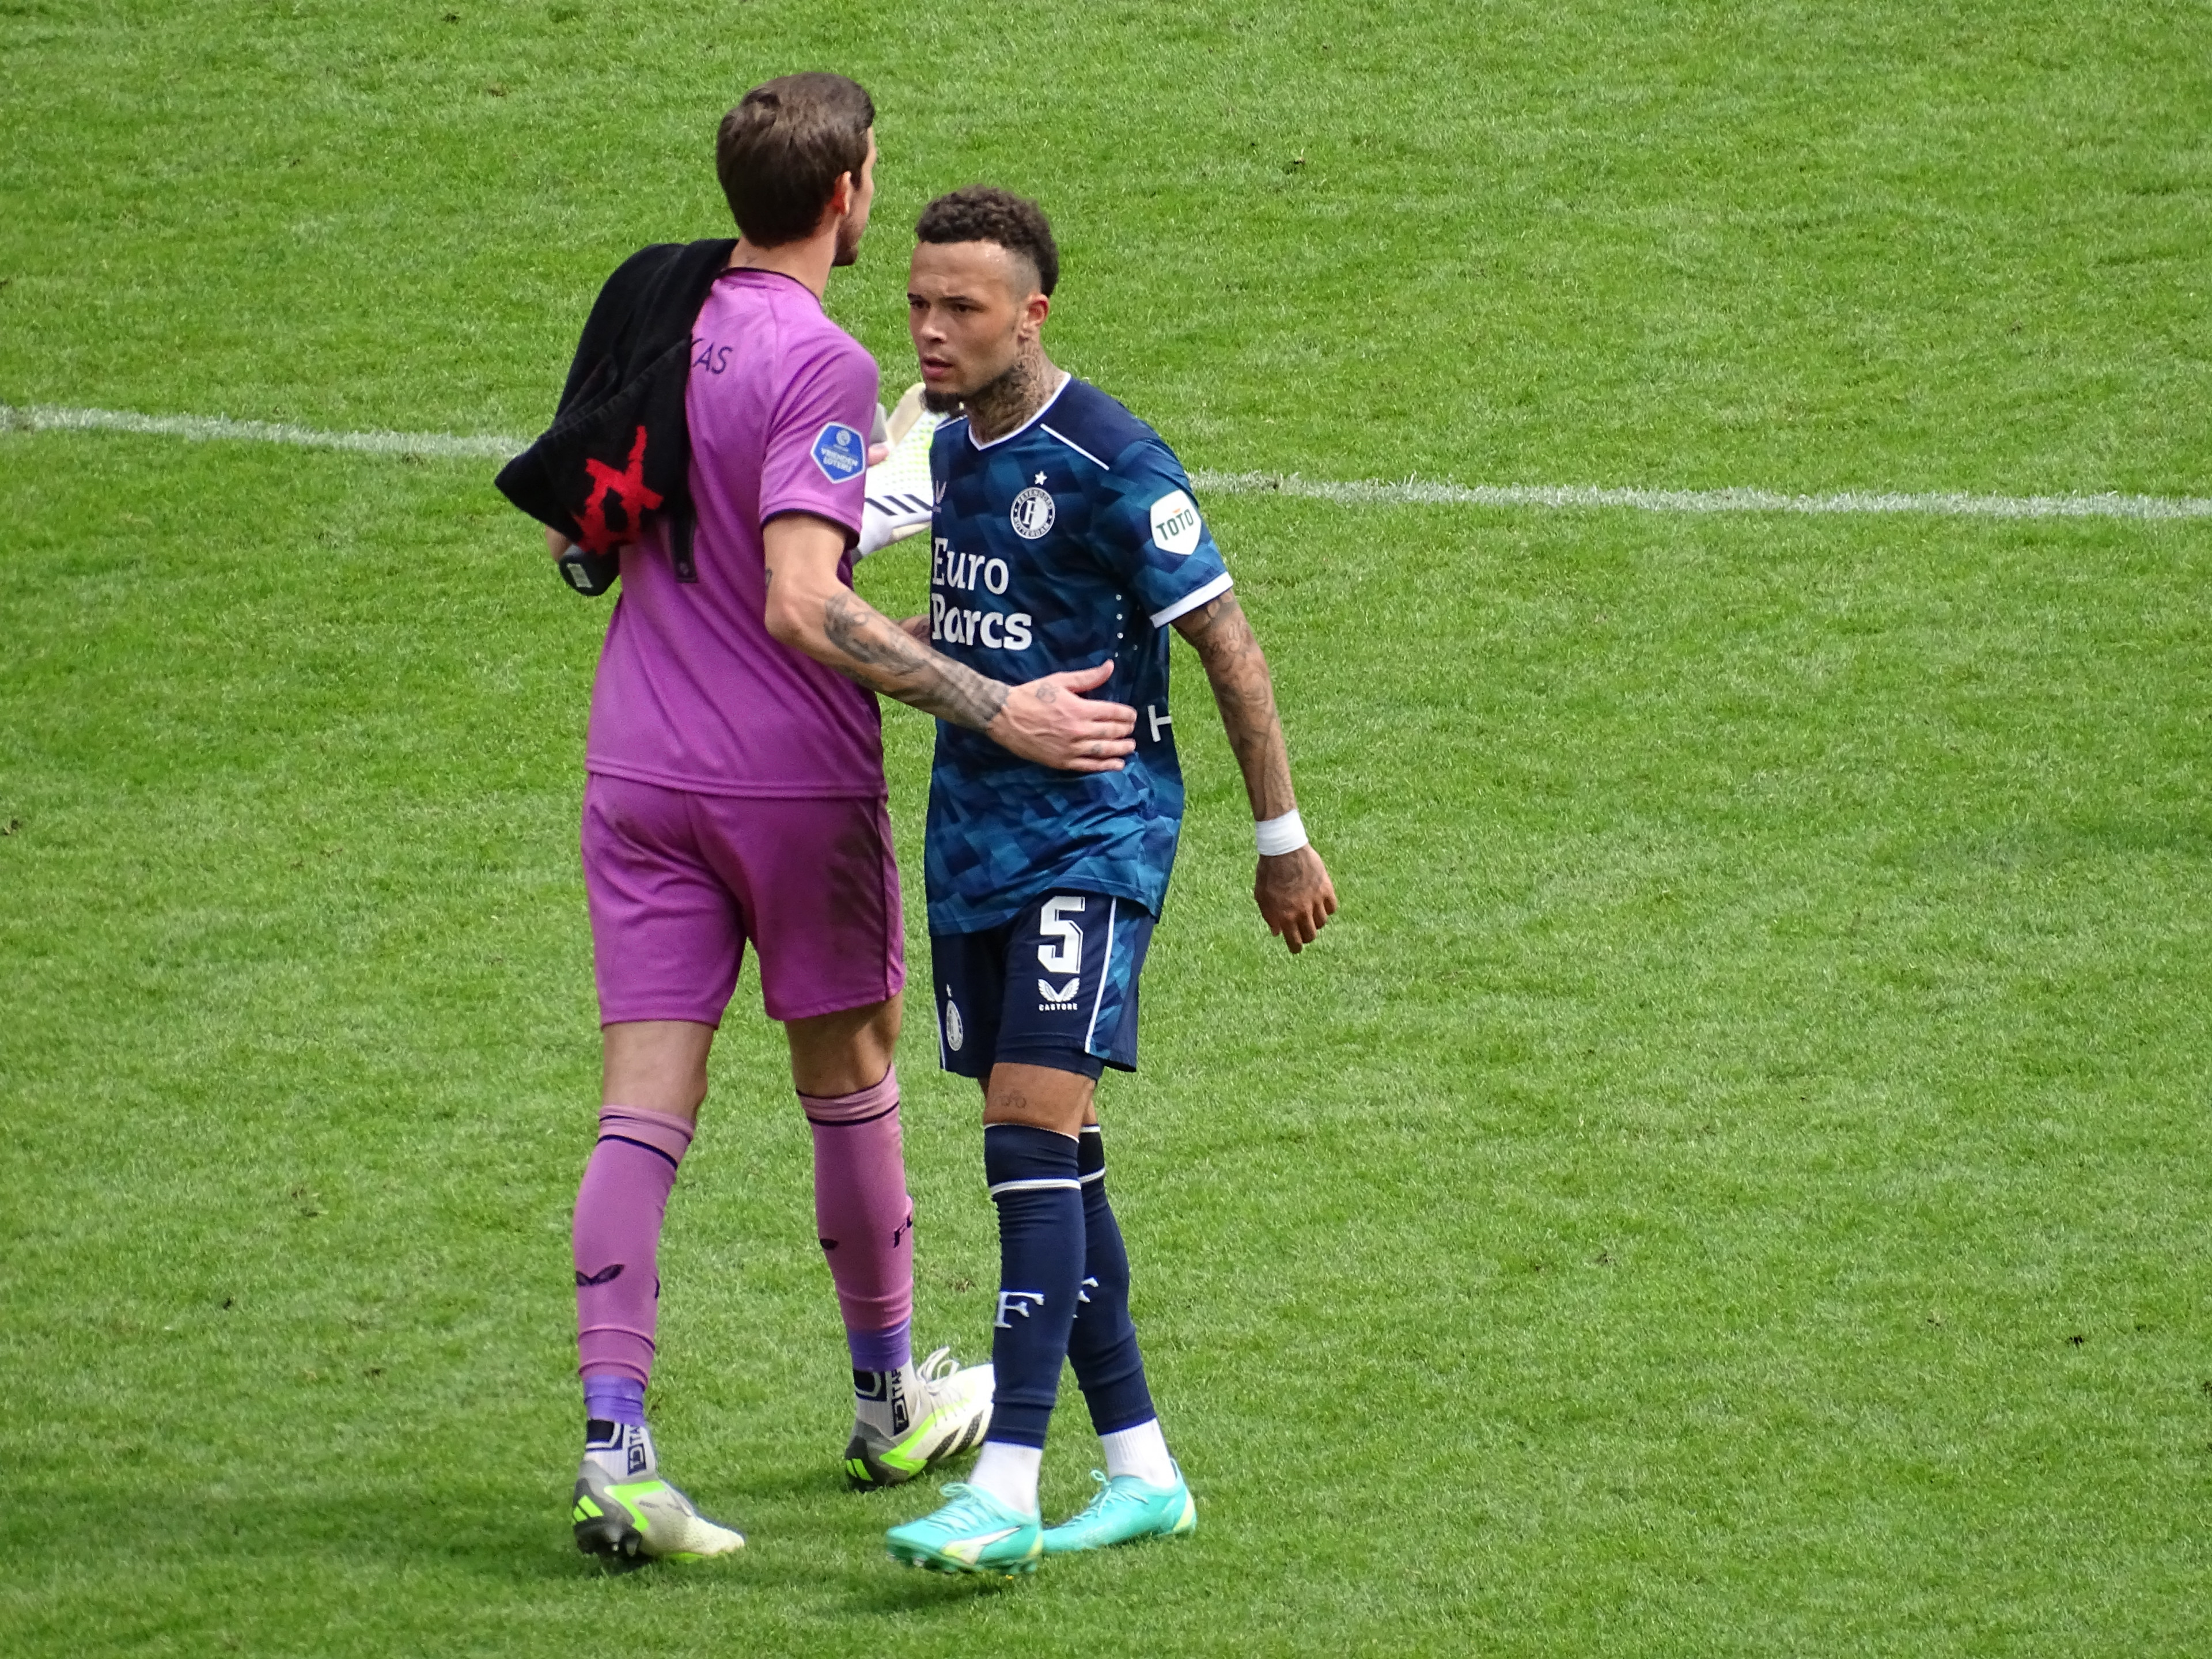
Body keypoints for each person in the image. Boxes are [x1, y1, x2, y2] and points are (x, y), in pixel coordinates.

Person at [539, 81, 1142, 1564]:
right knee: (851, 1074)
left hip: (637, 764)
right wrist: (1005, 709)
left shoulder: (662, 304)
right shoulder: (817, 356)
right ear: (854, 192)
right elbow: (802, 602)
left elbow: (578, 535)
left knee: (643, 1106)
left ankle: (614, 1449)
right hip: (788, 786)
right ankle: (886, 1406)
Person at [882, 187, 1338, 1576]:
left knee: (1025, 1133)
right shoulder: (951, 449)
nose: (932, 328)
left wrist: (1282, 841)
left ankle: (1006, 1489)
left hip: (1098, 834)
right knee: (1057, 1160)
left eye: (962, 306)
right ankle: (1142, 1469)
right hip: (971, 835)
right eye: (917, 301)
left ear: (1034, 312)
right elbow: (964, 626)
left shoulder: (1116, 461)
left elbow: (1230, 649)